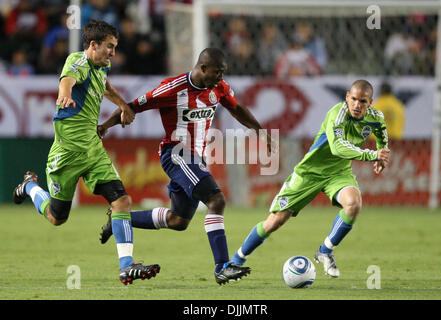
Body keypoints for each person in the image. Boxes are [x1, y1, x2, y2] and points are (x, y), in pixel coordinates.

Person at [97, 48, 273, 285]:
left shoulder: (218, 88)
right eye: (217, 72)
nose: (221, 77)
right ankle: (222, 267)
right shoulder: (173, 88)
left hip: (195, 158)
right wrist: (106, 125)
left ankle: (120, 218)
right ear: (202, 68)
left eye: (223, 72)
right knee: (216, 200)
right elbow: (134, 105)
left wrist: (259, 129)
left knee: (178, 221)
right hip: (176, 153)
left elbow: (236, 108)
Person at [12, 20, 159, 286]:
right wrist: (65, 96)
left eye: (115, 47)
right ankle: (31, 187)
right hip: (66, 155)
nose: (113, 53)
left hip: (92, 149)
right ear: (93, 45)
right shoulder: (77, 61)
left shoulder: (102, 65)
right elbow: (66, 81)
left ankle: (126, 265)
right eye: (109, 47)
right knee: (57, 218)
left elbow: (104, 85)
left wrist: (123, 105)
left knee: (122, 201)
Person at [229, 80, 390, 278]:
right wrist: (371, 155)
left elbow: (382, 135)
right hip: (309, 172)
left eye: (363, 101)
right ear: (347, 97)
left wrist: (382, 154)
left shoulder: (376, 117)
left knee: (354, 204)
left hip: (338, 173)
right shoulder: (337, 114)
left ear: (370, 102)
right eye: (354, 99)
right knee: (275, 221)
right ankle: (237, 258)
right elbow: (338, 147)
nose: (357, 105)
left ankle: (325, 251)